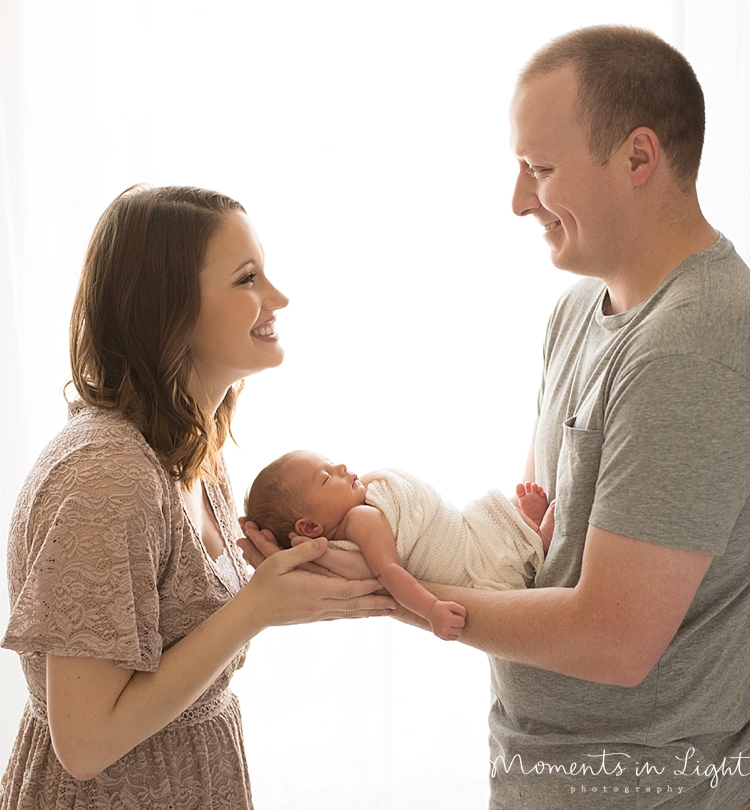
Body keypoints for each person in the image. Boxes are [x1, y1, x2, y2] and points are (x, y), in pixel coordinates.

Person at [240, 26, 750, 809]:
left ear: (639, 158)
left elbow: (615, 641)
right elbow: (538, 550)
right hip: (539, 766)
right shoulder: (578, 311)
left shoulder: (696, 342)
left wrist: (385, 589)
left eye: (540, 170)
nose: (518, 201)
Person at [0, 185, 396, 809]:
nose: (279, 298)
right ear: (168, 309)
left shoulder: (190, 451)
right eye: (248, 279)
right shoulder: (108, 476)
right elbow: (84, 743)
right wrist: (255, 609)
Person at [243, 450, 554, 640]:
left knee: (493, 512)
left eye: (332, 461)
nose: (341, 467)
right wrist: (431, 609)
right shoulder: (362, 519)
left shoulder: (344, 540)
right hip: (471, 554)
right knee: (504, 524)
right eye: (326, 477)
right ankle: (537, 539)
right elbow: (390, 574)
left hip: (461, 531)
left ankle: (524, 526)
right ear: (309, 527)